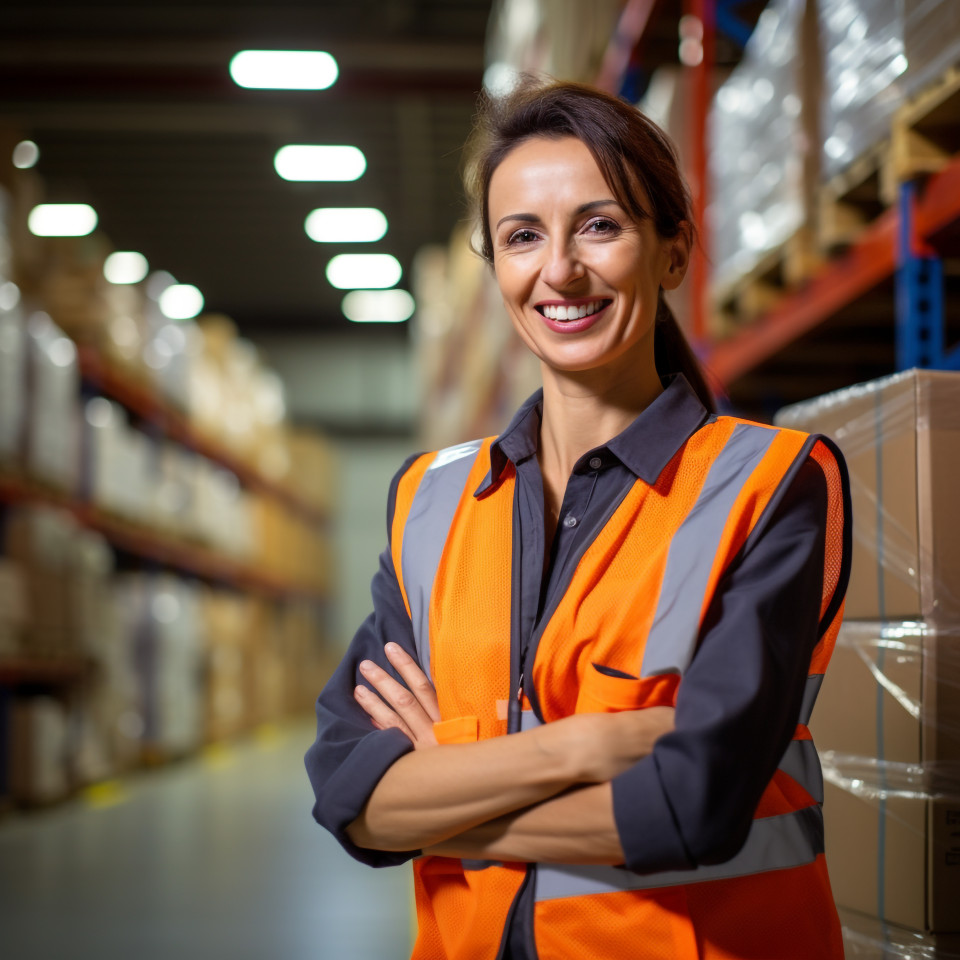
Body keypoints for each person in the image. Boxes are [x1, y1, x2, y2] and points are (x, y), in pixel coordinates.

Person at [305, 79, 852, 960]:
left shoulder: (769, 484)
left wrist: (436, 803)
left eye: (599, 226)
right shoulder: (431, 501)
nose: (558, 271)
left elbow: (690, 804)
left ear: (673, 254)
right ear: (498, 270)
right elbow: (345, 790)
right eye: (523, 237)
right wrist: (590, 746)